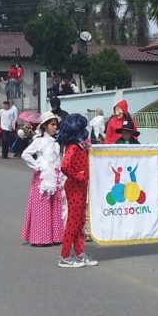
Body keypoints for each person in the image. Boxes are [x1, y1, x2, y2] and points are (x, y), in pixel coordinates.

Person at [57, 114, 98, 268]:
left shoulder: (80, 146)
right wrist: (78, 176)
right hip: (74, 187)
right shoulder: (73, 147)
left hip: (80, 187)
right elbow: (64, 165)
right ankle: (65, 256)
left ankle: (79, 253)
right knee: (73, 222)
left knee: (80, 221)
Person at [20, 112, 65, 246]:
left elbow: (58, 158)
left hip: (55, 175)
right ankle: (40, 237)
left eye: (56, 124)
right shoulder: (39, 141)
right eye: (52, 124)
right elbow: (25, 154)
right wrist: (38, 166)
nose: (55, 127)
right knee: (42, 207)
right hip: (43, 178)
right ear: (45, 126)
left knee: (55, 205)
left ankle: (56, 236)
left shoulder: (55, 142)